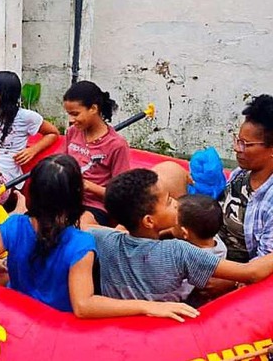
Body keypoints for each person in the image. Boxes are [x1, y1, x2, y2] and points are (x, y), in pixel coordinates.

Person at [0, 155, 199, 322]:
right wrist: (149, 307)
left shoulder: (13, 226)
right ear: (76, 196)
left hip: (17, 317)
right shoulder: (79, 243)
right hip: (58, 327)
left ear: (32, 193)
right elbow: (83, 305)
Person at [90, 168, 273, 303]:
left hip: (117, 325)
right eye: (169, 202)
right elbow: (251, 272)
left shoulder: (104, 240)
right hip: (169, 331)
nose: (177, 203)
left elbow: (85, 226)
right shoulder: (179, 252)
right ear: (148, 221)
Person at [61, 81, 130, 226]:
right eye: (68, 114)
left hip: (94, 206)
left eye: (75, 114)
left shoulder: (116, 144)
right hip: (66, 198)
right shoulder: (72, 132)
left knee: (80, 225)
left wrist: (87, 186)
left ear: (93, 108)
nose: (71, 120)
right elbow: (62, 165)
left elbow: (121, 194)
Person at [0, 71, 59, 185]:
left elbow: (53, 133)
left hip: (2, 176)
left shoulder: (25, 116)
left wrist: (33, 150)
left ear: (2, 95)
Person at [218, 94, 273, 262]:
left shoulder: (268, 200)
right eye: (237, 140)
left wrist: (230, 281)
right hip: (212, 255)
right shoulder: (240, 175)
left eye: (245, 144)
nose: (236, 148)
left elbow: (264, 262)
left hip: (238, 273)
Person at [171, 194, 227, 304]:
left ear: (184, 233)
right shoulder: (216, 242)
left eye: (172, 220)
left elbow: (179, 293)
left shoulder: (191, 262)